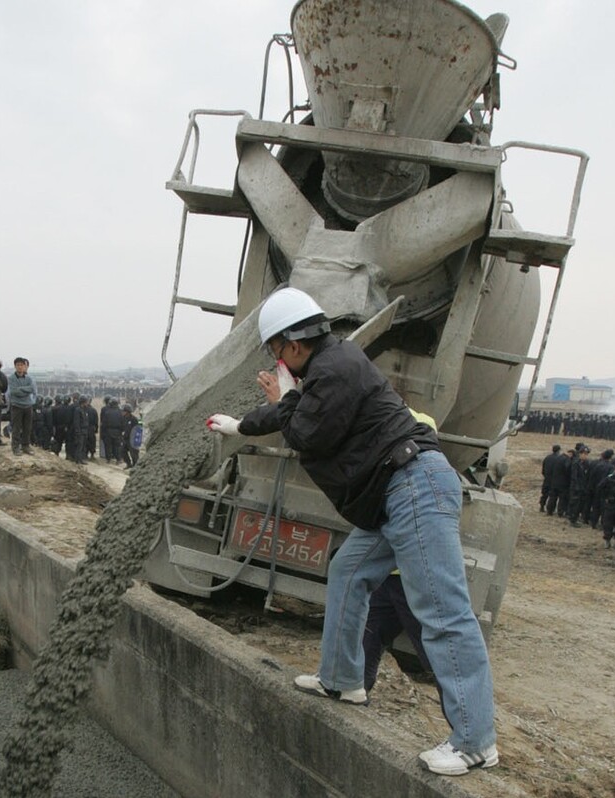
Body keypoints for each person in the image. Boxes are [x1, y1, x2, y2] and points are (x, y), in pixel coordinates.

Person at [207, 287, 497, 776]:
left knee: (442, 612)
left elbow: (304, 432)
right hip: (394, 494)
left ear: (293, 344)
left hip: (413, 489)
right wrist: (242, 424)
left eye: (277, 352)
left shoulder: (334, 369)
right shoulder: (327, 368)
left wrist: (282, 401)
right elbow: (295, 414)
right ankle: (342, 680)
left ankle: (475, 741)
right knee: (348, 570)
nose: (278, 362)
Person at [7, 357, 36, 455]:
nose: (20, 367)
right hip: (17, 405)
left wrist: (21, 389)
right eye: (18, 365)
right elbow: (14, 391)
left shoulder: (28, 378)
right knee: (16, 427)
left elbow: (31, 389)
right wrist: (24, 390)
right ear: (15, 366)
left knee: (27, 427)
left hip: (28, 406)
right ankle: (15, 447)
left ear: (25, 366)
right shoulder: (11, 378)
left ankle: (26, 446)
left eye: (21, 365)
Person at [121, 403, 139, 469]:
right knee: (122, 451)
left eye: (123, 411)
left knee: (134, 453)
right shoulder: (123, 418)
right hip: (125, 439)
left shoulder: (134, 419)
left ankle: (135, 465)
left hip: (132, 439)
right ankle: (128, 463)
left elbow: (138, 428)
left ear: (127, 412)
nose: (122, 412)